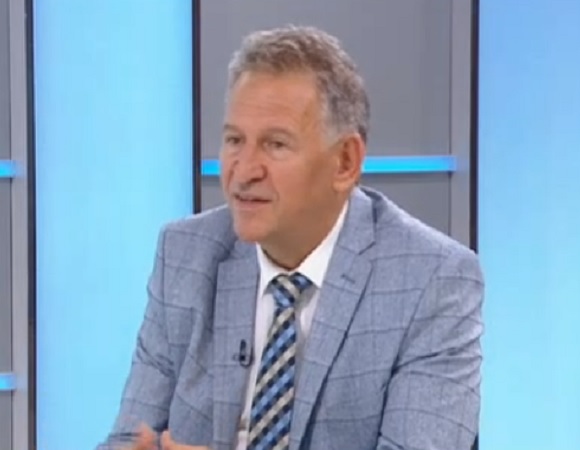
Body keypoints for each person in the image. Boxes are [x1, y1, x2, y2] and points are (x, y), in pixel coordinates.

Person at [97, 25, 483, 450]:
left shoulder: (432, 280)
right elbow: (127, 439)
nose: (244, 171)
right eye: (234, 140)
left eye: (275, 144)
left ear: (345, 162)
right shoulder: (186, 254)